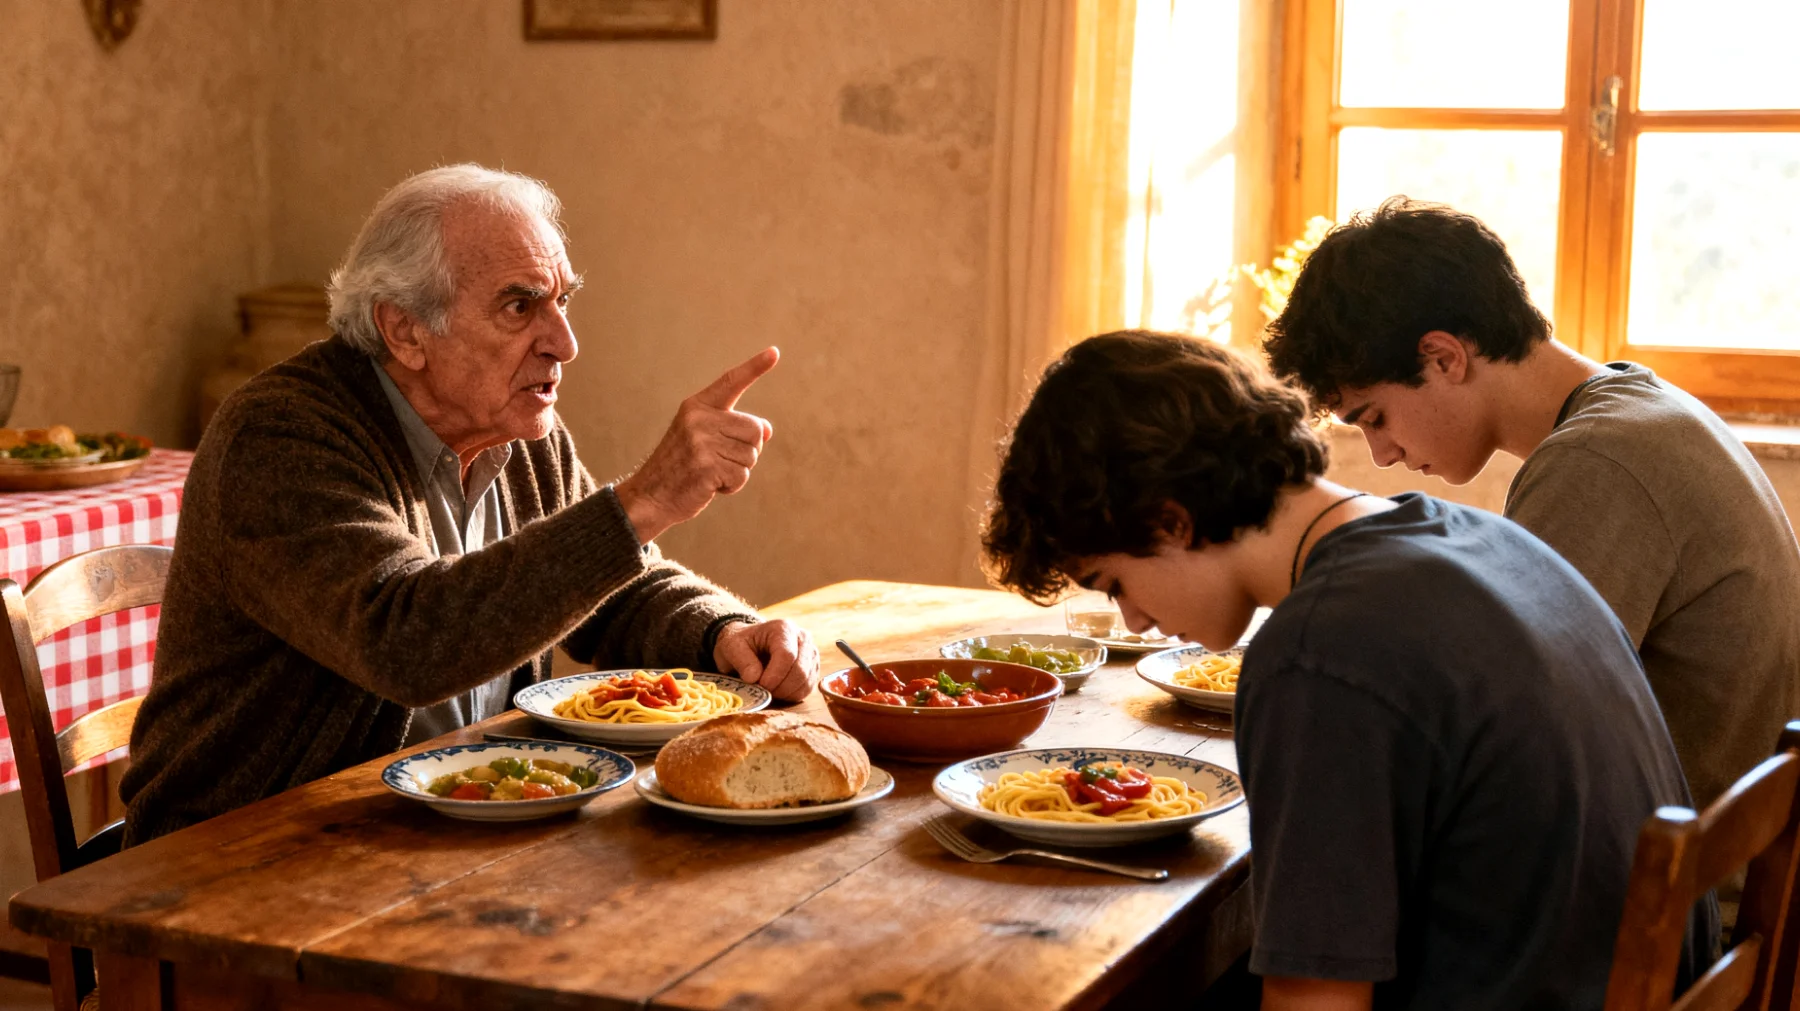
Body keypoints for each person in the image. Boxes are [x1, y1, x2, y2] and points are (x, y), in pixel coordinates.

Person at [981, 331, 1713, 1008]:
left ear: (1171, 519)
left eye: (1113, 583)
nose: (1134, 620)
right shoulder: (1473, 534)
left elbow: (1317, 1005)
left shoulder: (1320, 655)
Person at [121, 165, 818, 844]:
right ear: (405, 332)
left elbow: (608, 584)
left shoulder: (513, 425)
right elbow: (406, 642)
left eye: (563, 300)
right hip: (240, 856)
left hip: (431, 837)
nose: (563, 343)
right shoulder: (278, 436)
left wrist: (722, 631)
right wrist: (642, 501)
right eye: (520, 306)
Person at [1261, 196, 1800, 811]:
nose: (1382, 455)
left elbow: (1503, 729)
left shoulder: (1597, 464)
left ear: (1444, 357)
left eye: (1374, 418)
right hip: (1702, 852)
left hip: (1675, 887)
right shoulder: (1635, 407)